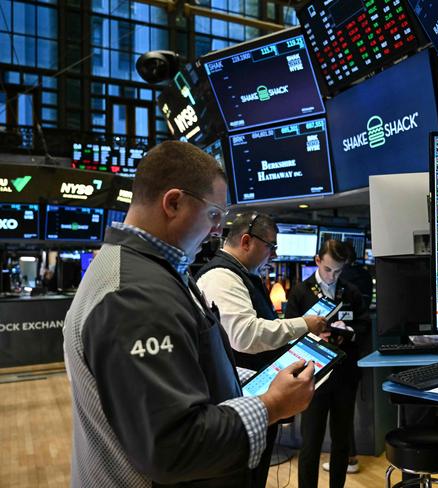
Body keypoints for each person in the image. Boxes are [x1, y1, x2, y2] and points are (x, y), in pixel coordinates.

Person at [63, 141, 316, 488]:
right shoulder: (134, 295)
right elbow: (173, 447)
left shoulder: (147, 271)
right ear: (174, 202)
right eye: (214, 215)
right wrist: (271, 405)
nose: (217, 230)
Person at [195, 212, 327, 486]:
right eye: (271, 246)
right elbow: (246, 336)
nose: (274, 255)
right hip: (240, 400)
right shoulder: (222, 277)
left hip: (253, 397)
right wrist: (303, 324)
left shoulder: (239, 275)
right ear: (246, 241)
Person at [285, 239, 371, 488]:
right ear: (317, 261)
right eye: (328, 269)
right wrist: (313, 335)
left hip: (345, 376)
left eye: (338, 271)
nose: (332, 276)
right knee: (311, 441)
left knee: (341, 440)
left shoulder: (351, 292)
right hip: (313, 377)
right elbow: (288, 332)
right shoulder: (301, 292)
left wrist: (349, 330)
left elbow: (364, 325)